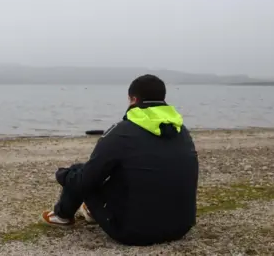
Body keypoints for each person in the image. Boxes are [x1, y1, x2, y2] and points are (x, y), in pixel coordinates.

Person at [41, 74, 199, 246]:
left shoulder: (122, 132)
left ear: (133, 99)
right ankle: (92, 212)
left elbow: (86, 180)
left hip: (132, 231)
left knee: (80, 172)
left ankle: (62, 216)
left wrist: (62, 175)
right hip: (181, 226)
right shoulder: (181, 130)